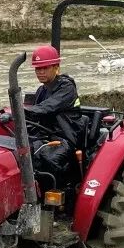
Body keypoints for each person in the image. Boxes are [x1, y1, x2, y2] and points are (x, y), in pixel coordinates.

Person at [24, 45, 81, 182]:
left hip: (66, 137)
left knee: (49, 158)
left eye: (45, 68)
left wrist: (18, 112)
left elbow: (46, 108)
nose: (40, 72)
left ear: (56, 67)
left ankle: (62, 192)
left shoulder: (67, 87)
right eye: (38, 68)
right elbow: (34, 115)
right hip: (45, 134)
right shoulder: (41, 90)